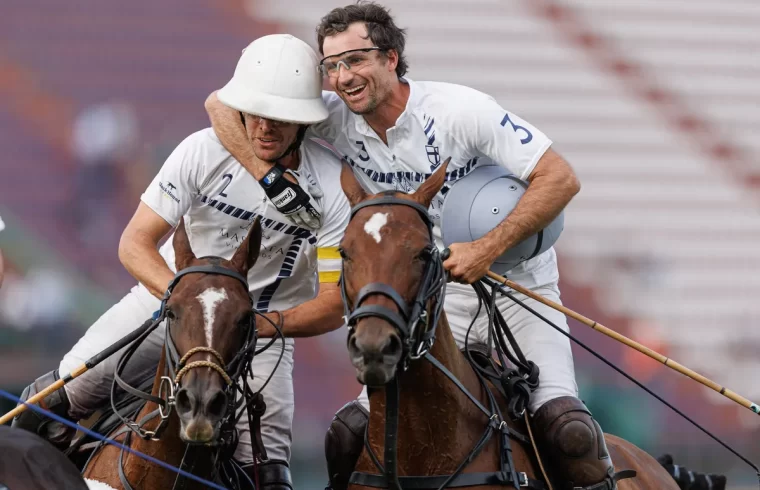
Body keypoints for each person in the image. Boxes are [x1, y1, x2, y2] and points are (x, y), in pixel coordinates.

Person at [204, 3, 621, 489]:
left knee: (569, 432)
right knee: (347, 434)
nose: (342, 77)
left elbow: (560, 178)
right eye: (332, 66)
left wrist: (486, 249)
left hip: (517, 290)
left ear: (391, 58)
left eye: (356, 59)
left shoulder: (460, 112)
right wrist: (269, 178)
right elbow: (219, 105)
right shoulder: (332, 118)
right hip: (430, 299)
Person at [12, 33, 350, 489]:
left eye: (281, 118)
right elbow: (135, 243)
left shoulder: (331, 186)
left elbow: (333, 303)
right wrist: (183, 300)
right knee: (47, 402)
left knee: (271, 476)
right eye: (255, 112)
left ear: (305, 120)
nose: (265, 127)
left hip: (262, 333)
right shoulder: (201, 151)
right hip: (164, 306)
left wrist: (255, 324)